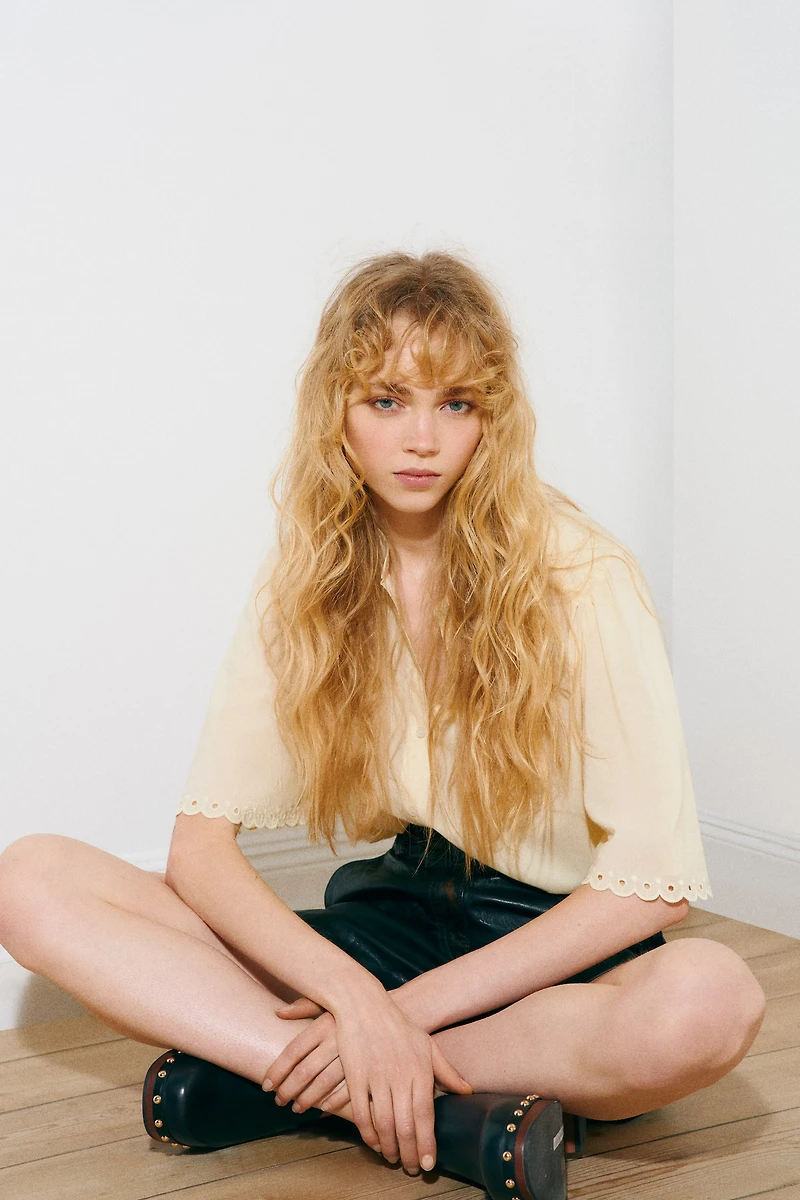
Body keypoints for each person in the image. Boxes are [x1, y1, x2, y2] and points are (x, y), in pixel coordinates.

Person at [0, 252, 765, 1200]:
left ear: (492, 419)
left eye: (457, 404)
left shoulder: (582, 573)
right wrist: (354, 998)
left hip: (554, 950)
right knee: (31, 878)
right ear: (339, 412)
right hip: (397, 916)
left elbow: (650, 891)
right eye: (387, 400)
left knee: (708, 1002)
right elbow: (200, 851)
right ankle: (439, 1110)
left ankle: (290, 1081)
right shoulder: (312, 578)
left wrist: (398, 1014)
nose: (422, 439)